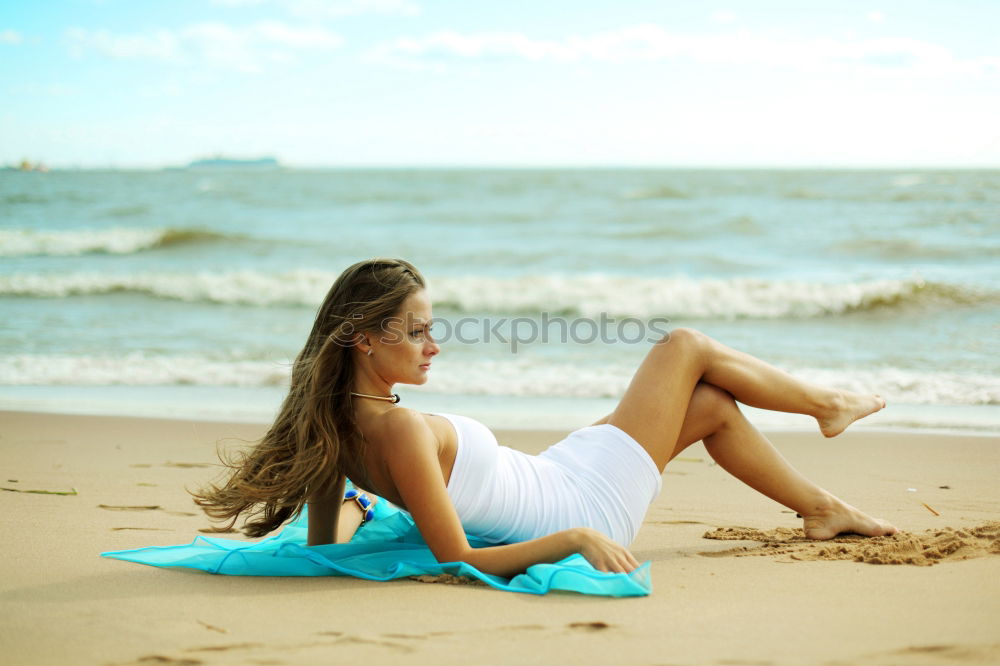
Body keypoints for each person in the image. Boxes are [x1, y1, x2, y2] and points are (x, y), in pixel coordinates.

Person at [193, 258, 896, 578]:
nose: (433, 346)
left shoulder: (328, 429)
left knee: (710, 404)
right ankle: (827, 407)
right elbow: (459, 561)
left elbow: (325, 550)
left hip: (554, 473)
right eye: (415, 333)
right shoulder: (397, 428)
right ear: (362, 338)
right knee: (684, 347)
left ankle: (822, 508)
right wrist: (575, 538)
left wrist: (349, 516)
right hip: (580, 503)